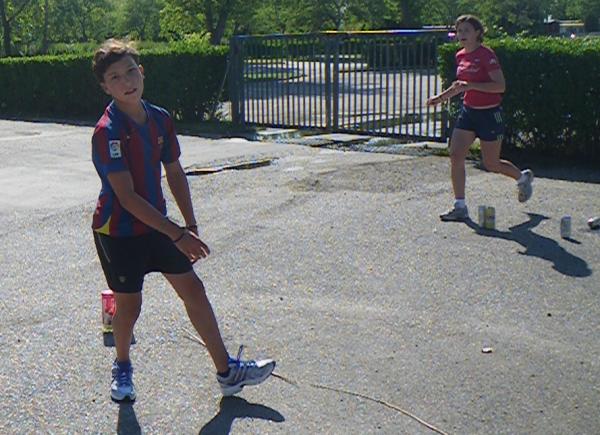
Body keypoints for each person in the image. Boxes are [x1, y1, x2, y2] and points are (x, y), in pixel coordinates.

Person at [90, 39, 275, 403]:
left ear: (142, 72)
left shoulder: (160, 118)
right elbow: (127, 198)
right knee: (130, 306)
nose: (127, 81)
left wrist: (190, 226)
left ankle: (227, 373)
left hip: (159, 225)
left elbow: (174, 172)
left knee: (194, 290)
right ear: (105, 87)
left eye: (131, 71)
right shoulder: (107, 131)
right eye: (115, 77)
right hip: (119, 231)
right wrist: (177, 234)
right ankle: (122, 366)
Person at [427, 15, 534, 222]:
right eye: (459, 31)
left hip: (489, 114)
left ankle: (522, 178)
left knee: (491, 164)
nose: (462, 35)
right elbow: (460, 85)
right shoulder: (460, 56)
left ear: (477, 33)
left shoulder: (486, 55)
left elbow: (500, 86)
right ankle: (460, 206)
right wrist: (439, 98)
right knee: (456, 155)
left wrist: (472, 86)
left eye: (466, 30)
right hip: (469, 112)